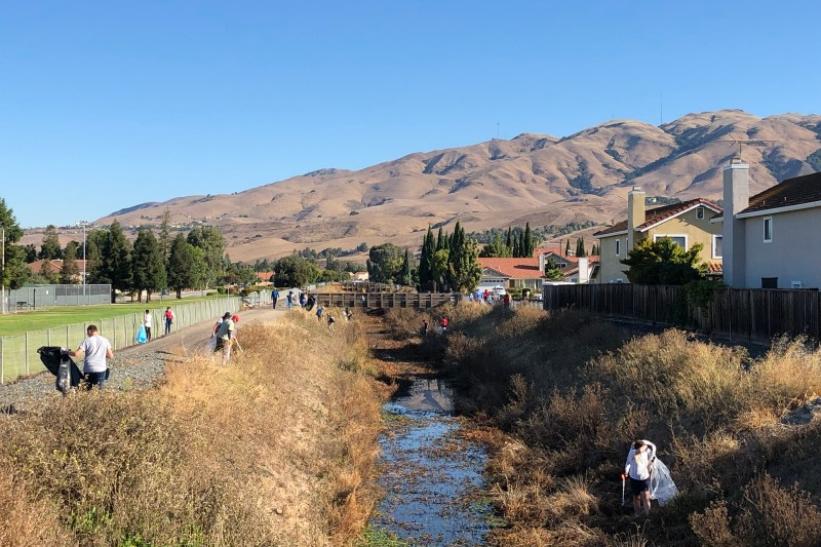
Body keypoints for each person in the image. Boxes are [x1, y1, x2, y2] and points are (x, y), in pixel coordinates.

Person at [70, 325, 113, 390]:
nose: (87, 334)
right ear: (96, 331)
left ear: (89, 331)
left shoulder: (87, 341)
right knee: (99, 390)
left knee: (87, 390)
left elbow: (76, 354)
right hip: (100, 369)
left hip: (89, 369)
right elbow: (110, 356)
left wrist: (66, 352)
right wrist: (101, 354)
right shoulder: (105, 340)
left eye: (87, 333)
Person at [622, 439, 657, 516]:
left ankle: (648, 515)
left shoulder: (646, 452)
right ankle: (637, 514)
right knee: (636, 497)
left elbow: (652, 452)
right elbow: (628, 463)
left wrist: (650, 462)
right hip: (634, 479)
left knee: (646, 497)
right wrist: (626, 472)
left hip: (644, 478)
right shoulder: (632, 452)